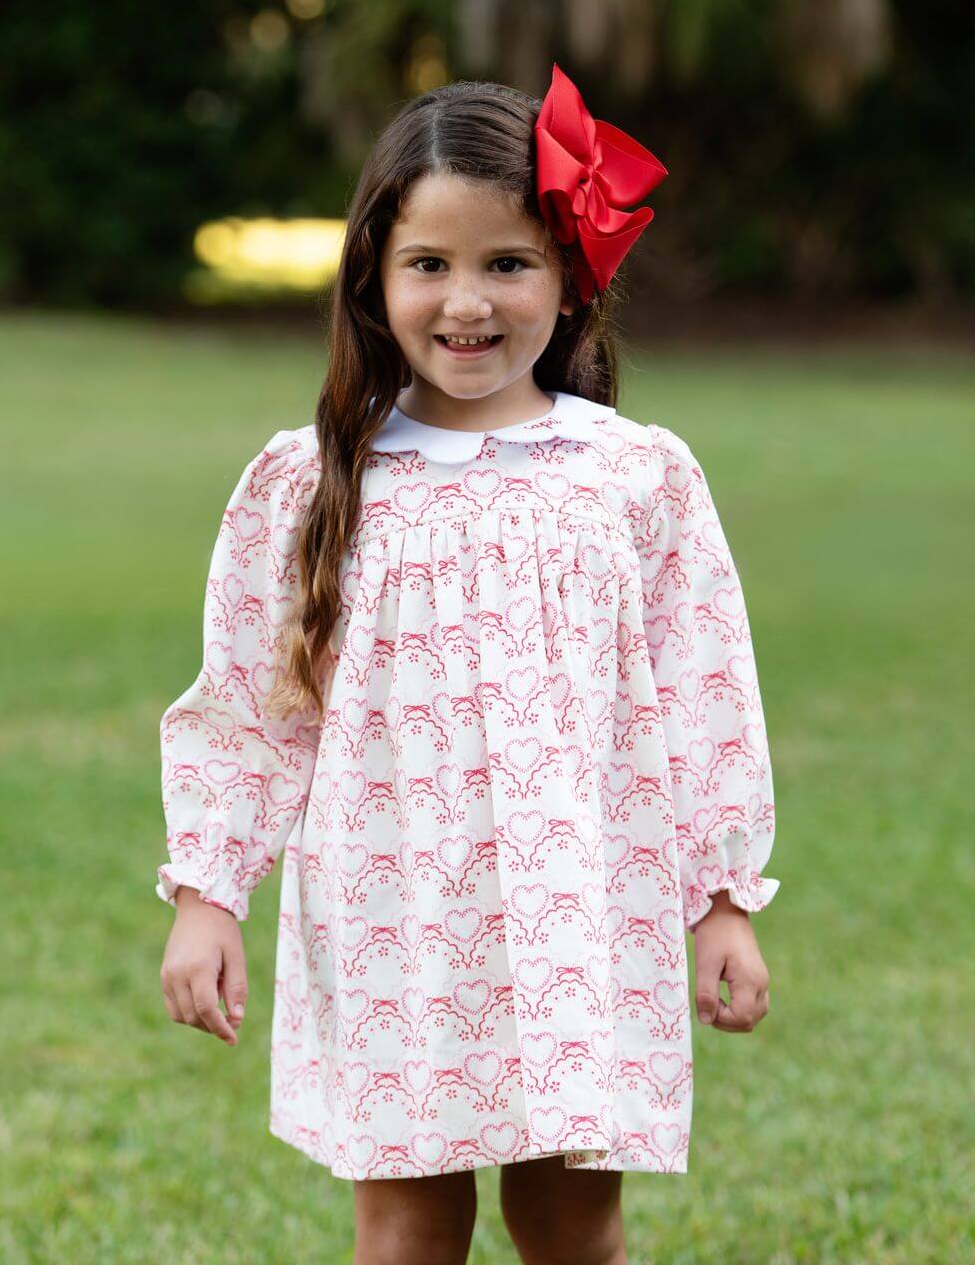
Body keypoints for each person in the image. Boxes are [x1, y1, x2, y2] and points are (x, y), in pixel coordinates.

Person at [156, 63, 779, 1265]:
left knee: (570, 1220)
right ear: (373, 279)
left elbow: (706, 698)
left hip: (578, 910)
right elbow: (248, 705)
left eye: (507, 262)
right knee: (402, 1229)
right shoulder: (311, 480)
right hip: (394, 912)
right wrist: (207, 891)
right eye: (428, 264)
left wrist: (720, 902)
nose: (467, 301)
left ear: (568, 275)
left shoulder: (635, 477)